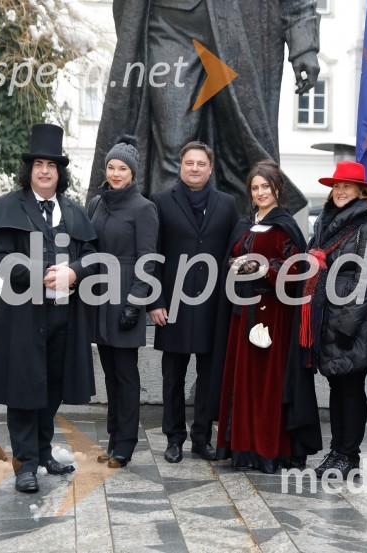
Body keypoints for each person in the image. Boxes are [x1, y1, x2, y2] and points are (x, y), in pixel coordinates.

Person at [88, 0, 321, 214]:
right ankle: (169, 244)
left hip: (237, 23)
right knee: (173, 147)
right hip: (168, 23)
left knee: (241, 150)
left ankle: (245, 242)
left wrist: (304, 42)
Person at [0, 124, 99, 494]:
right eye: (38, 164)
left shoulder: (74, 212)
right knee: (22, 389)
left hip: (64, 314)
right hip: (23, 316)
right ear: (29, 169)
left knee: (52, 386)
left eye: (51, 165)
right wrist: (37, 274)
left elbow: (92, 255)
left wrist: (73, 272)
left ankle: (44, 452)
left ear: (59, 172)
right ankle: (25, 464)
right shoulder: (7, 206)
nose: (45, 171)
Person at [215, 160, 319, 473]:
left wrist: (264, 269)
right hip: (243, 310)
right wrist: (235, 266)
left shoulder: (285, 225)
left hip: (273, 313)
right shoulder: (245, 223)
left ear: (277, 189)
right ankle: (244, 448)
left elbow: (297, 270)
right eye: (256, 187)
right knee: (244, 379)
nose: (261, 192)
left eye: (266, 187)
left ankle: (268, 449)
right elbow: (231, 259)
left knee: (267, 381)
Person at [149, 141, 239, 463]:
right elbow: (154, 255)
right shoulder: (160, 202)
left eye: (201, 163)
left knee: (209, 375)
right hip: (172, 305)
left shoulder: (228, 204)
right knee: (172, 375)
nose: (195, 168)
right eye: (189, 163)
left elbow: (235, 252)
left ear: (210, 168)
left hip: (213, 305)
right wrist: (154, 300)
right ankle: (174, 438)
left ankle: (202, 437)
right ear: (180, 166)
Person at [305, 161, 367, 479]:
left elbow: (366, 280)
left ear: (362, 192)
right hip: (326, 317)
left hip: (349, 324)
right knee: (337, 389)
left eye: (346, 186)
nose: (339, 191)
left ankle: (349, 454)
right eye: (336, 186)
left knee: (350, 390)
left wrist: (345, 326)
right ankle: (337, 450)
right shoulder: (325, 225)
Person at [87, 136, 159, 469]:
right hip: (98, 297)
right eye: (112, 167)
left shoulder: (144, 208)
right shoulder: (96, 204)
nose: (116, 174)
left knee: (126, 375)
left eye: (123, 168)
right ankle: (113, 439)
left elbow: (148, 260)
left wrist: (135, 303)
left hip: (125, 298)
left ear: (132, 173)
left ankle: (125, 446)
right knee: (110, 376)